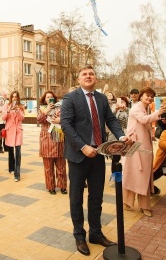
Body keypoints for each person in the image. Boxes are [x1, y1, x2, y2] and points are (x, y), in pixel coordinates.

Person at [60, 65, 130, 256]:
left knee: (96, 197)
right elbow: (65, 125)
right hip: (78, 156)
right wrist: (83, 146)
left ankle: (96, 233)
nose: (88, 76)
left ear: (96, 79)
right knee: (76, 198)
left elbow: (111, 120)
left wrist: (121, 137)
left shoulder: (101, 99)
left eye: (91, 74)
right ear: (79, 79)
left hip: (98, 155)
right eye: (84, 74)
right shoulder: (70, 98)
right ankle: (79, 236)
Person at [122, 87, 166, 217]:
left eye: (151, 96)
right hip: (135, 146)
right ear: (142, 96)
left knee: (142, 175)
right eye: (147, 95)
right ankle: (131, 203)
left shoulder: (145, 107)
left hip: (142, 145)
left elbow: (145, 122)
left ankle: (141, 204)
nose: (149, 98)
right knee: (134, 174)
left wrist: (155, 127)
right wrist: (159, 113)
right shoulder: (136, 108)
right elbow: (143, 119)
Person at [37, 90, 67, 195]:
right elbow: (39, 120)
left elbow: (66, 120)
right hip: (46, 139)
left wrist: (60, 120)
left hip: (58, 138)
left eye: (51, 97)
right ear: (44, 99)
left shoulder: (60, 108)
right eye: (47, 97)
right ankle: (51, 187)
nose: (49, 98)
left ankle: (63, 186)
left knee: (61, 165)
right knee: (48, 167)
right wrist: (46, 111)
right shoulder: (41, 109)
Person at [2, 90, 25, 181]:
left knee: (18, 152)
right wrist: (8, 110)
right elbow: (3, 118)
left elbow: (22, 118)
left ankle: (17, 174)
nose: (14, 98)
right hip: (10, 130)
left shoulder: (21, 106)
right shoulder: (6, 105)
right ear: (10, 98)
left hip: (18, 131)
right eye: (13, 96)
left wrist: (17, 110)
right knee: (11, 151)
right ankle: (11, 168)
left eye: (16, 97)